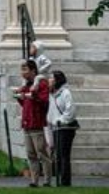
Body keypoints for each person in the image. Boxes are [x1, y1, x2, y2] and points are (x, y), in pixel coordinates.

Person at [15, 59, 51, 187]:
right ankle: (34, 180)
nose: (22, 72)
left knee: (42, 153)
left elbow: (44, 100)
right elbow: (25, 104)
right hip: (27, 122)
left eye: (25, 69)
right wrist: (20, 97)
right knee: (30, 154)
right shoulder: (26, 85)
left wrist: (32, 94)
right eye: (22, 69)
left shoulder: (40, 83)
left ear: (33, 70)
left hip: (36, 122)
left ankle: (47, 180)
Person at [47, 70, 78, 187]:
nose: (49, 81)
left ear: (57, 81)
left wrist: (61, 120)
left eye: (51, 79)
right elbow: (51, 112)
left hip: (66, 128)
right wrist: (51, 122)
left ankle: (65, 182)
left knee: (64, 155)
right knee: (58, 155)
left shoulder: (66, 93)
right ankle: (60, 181)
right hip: (56, 128)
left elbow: (70, 111)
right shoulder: (52, 94)